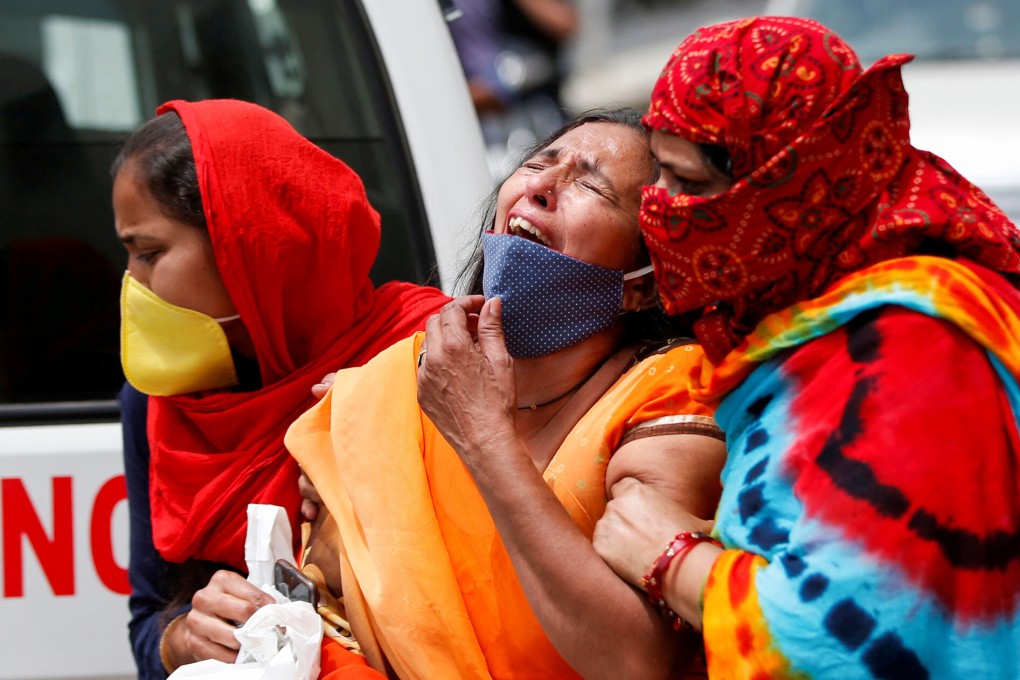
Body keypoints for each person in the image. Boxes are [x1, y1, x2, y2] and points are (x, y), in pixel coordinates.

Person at [589, 16, 1020, 679]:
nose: (663, 213)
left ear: (791, 187)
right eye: (661, 180)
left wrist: (666, 555)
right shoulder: (819, 316)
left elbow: (857, 639)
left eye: (690, 186)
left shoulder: (914, 355)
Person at [285, 108, 727, 679]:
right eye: (537, 165)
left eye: (591, 186)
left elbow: (637, 662)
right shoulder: (399, 384)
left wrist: (482, 435)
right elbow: (327, 614)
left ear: (641, 285)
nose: (541, 187)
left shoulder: (670, 392)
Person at [113, 98, 451, 679]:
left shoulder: (422, 359)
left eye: (149, 254)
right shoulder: (155, 405)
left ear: (245, 246)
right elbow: (148, 621)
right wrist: (186, 638)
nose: (132, 283)